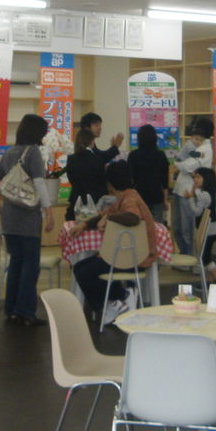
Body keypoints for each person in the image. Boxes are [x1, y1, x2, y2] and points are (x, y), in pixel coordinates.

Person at [68, 161, 157, 328]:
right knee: (80, 268)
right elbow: (104, 214)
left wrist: (108, 218)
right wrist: (85, 225)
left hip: (133, 259)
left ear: (110, 184)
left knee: (85, 272)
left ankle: (113, 303)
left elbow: (133, 217)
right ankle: (120, 298)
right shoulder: (127, 196)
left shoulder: (129, 199)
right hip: (129, 256)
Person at [0, 114, 55, 326]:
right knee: (30, 266)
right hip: (28, 218)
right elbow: (40, 184)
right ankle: (26, 312)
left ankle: (11, 310)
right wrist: (49, 211)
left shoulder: (10, 152)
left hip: (9, 218)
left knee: (16, 264)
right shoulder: (33, 152)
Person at [65, 113, 124, 221]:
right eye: (96, 125)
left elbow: (99, 157)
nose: (100, 128)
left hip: (78, 201)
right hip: (95, 203)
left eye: (100, 125)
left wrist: (114, 148)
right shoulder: (92, 156)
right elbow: (100, 159)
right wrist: (114, 148)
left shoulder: (72, 157)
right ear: (87, 127)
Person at [171, 117, 213, 254]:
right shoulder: (195, 146)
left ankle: (189, 258)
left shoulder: (205, 149)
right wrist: (180, 162)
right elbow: (182, 161)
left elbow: (186, 167)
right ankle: (183, 254)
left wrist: (177, 163)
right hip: (180, 190)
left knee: (186, 229)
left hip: (189, 193)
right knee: (177, 227)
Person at [127, 123, 170, 225]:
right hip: (156, 196)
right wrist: (165, 199)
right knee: (156, 227)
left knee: (140, 227)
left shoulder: (133, 155)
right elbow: (165, 181)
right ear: (155, 138)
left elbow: (130, 179)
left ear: (139, 139)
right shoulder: (161, 155)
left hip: (139, 196)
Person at [186, 165, 216, 282]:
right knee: (205, 256)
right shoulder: (209, 192)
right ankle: (209, 282)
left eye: (198, 177)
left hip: (209, 231)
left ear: (205, 178)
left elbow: (196, 212)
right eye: (194, 177)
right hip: (212, 229)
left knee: (205, 258)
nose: (195, 180)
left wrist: (190, 198)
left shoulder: (204, 195)